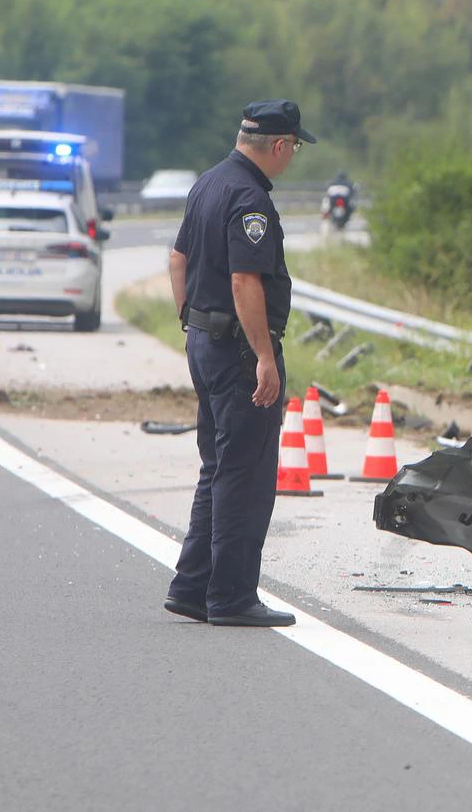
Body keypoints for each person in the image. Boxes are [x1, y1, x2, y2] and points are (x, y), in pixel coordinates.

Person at [163, 100, 316, 627]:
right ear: (280, 145)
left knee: (218, 467)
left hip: (205, 343)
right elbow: (244, 281)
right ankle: (230, 596)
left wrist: (190, 320)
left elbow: (178, 259)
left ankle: (192, 587)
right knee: (245, 475)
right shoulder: (250, 199)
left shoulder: (207, 184)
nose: (292, 156)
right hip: (238, 352)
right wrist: (264, 358)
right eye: (294, 147)